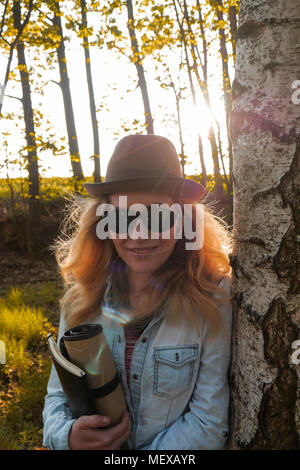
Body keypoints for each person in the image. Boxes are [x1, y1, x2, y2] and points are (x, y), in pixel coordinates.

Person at [42, 134, 233, 450]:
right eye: (123, 216)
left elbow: (208, 423)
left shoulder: (212, 297)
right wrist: (68, 437)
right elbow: (58, 396)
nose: (139, 234)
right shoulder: (81, 299)